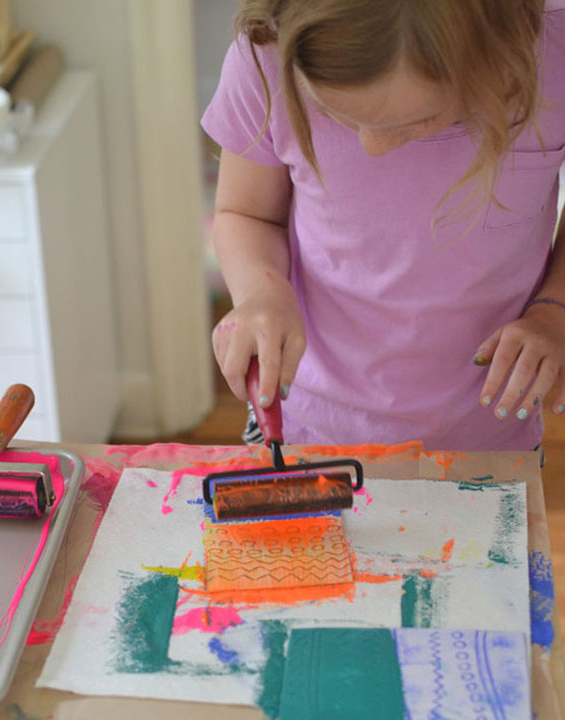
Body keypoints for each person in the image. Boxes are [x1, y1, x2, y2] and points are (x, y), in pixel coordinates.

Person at [201, 0, 565, 451]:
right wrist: (261, 292)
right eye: (335, 112)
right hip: (305, 428)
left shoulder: (556, 50)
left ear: (497, 56)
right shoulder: (267, 55)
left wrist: (555, 310)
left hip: (490, 441)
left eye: (419, 121)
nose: (373, 146)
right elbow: (248, 213)